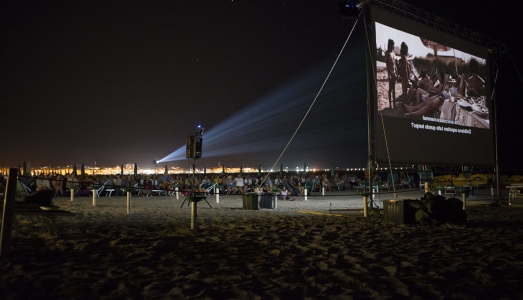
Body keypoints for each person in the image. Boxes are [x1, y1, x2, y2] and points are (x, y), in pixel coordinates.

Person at [385, 39, 397, 108]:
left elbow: (394, 63)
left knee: (394, 89)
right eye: (392, 45)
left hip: (394, 72)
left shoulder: (393, 53)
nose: (393, 46)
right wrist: (389, 75)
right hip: (390, 72)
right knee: (390, 89)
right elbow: (387, 65)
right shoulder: (387, 53)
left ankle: (394, 104)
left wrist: (396, 72)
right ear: (390, 45)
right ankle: (390, 105)